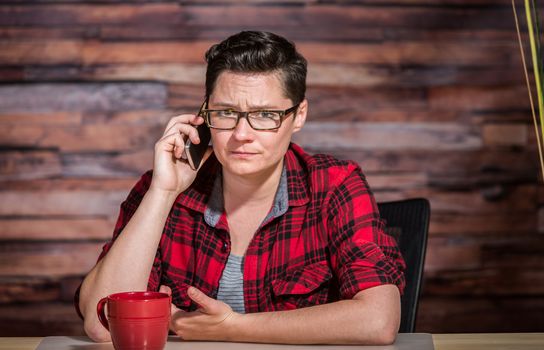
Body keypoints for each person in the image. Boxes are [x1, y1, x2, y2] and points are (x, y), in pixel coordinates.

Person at [76, 31, 405, 345]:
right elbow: (100, 323)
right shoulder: (162, 187)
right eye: (226, 112)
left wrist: (231, 328)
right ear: (204, 113)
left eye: (264, 114)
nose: (242, 134)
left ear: (299, 115)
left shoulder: (334, 184)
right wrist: (163, 193)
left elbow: (378, 320)